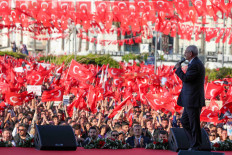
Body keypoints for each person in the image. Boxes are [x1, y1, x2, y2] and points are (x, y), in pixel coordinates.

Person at [174, 45, 205, 151]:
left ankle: (196, 146)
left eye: (186, 52)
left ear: (191, 53)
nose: (184, 54)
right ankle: (193, 143)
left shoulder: (195, 64)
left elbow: (186, 79)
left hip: (193, 100)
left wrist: (178, 69)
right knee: (185, 121)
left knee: (194, 123)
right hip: (189, 100)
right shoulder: (193, 63)